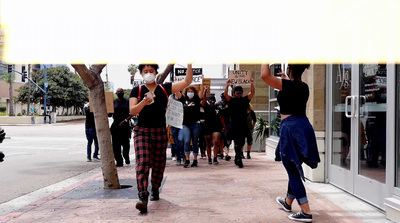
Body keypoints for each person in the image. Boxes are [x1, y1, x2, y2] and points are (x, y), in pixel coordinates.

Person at [129, 63, 193, 213]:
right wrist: (144, 102)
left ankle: (155, 188)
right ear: (141, 74)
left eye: (151, 71)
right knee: (143, 164)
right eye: (145, 71)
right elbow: (132, 110)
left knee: (159, 164)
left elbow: (187, 82)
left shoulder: (165, 88)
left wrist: (189, 64)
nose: (149, 73)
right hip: (141, 132)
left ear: (156, 72)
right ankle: (142, 197)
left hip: (159, 131)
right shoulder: (137, 90)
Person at [261, 63, 320, 222]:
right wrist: (286, 79)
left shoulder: (286, 85)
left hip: (291, 129)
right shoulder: (305, 87)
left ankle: (305, 211)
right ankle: (288, 202)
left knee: (292, 171)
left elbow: (264, 76)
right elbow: (293, 89)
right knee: (294, 165)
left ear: (290, 70)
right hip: (304, 127)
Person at [224, 80, 254, 168]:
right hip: (233, 124)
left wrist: (251, 83)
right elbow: (226, 95)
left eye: (240, 93)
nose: (239, 95)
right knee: (230, 141)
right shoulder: (231, 100)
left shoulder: (244, 100)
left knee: (240, 142)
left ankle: (238, 157)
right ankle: (235, 156)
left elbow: (252, 93)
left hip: (242, 125)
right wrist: (227, 85)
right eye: (237, 93)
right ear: (234, 93)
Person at [179, 84, 204, 168]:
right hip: (185, 124)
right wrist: (176, 84)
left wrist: (202, 83)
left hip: (195, 124)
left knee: (195, 142)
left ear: (194, 92)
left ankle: (195, 159)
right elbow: (176, 92)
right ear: (186, 93)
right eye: (188, 91)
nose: (190, 93)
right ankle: (187, 159)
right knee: (186, 141)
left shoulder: (196, 99)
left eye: (191, 91)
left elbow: (201, 93)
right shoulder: (183, 100)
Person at [109, 88, 132, 167]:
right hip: (116, 126)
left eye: (121, 92)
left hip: (125, 126)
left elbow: (132, 113)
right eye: (118, 92)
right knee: (116, 146)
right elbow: (109, 114)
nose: (120, 93)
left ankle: (126, 156)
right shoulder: (113, 102)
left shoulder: (127, 102)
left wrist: (126, 120)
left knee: (126, 144)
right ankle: (119, 161)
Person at [202, 86, 225, 165]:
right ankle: (209, 158)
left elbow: (221, 118)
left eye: (213, 99)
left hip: (216, 127)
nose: (212, 101)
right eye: (210, 99)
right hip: (207, 126)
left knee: (216, 142)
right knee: (208, 143)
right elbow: (203, 101)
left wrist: (224, 126)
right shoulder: (206, 107)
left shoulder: (218, 108)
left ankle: (215, 157)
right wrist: (205, 91)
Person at [216, 93, 232, 161]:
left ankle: (226, 152)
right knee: (221, 139)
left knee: (228, 139)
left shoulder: (230, 104)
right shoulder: (218, 104)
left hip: (228, 123)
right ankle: (221, 152)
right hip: (220, 123)